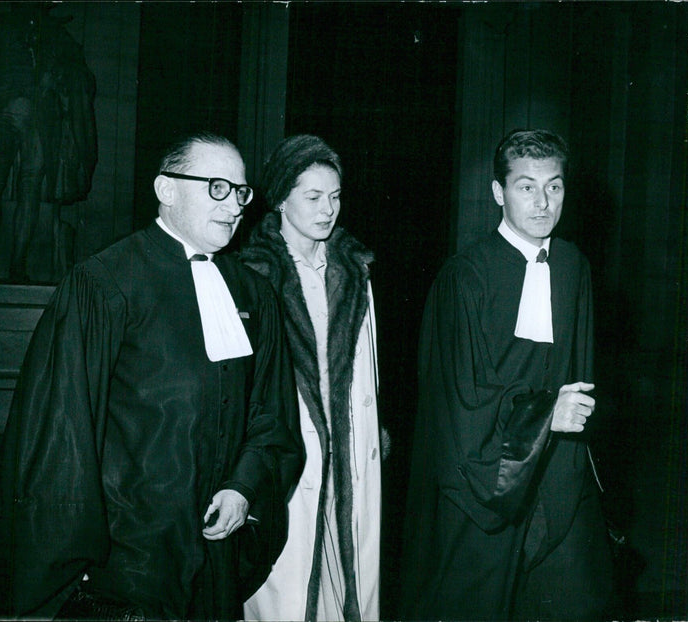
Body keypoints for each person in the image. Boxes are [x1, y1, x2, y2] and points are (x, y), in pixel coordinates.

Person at [0, 132, 303, 620]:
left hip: (217, 551)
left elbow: (271, 411)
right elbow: (63, 436)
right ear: (166, 190)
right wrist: (79, 556)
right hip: (129, 556)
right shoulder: (104, 284)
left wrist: (243, 486)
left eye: (240, 191)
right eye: (216, 187)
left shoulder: (253, 292)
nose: (233, 204)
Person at [401, 129, 613, 620]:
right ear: (498, 192)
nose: (543, 203)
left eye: (554, 187)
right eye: (526, 186)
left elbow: (581, 374)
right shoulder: (464, 278)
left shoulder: (573, 267)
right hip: (484, 482)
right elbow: (458, 401)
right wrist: (545, 415)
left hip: (560, 475)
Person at [240, 135, 384, 621]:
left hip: (349, 449)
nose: (329, 210)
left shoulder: (354, 269)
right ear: (280, 197)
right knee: (288, 583)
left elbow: (368, 369)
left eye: (336, 196)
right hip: (289, 450)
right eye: (314, 196)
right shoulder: (252, 273)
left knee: (351, 578)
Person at [0, 2, 97, 282]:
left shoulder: (56, 33)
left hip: (40, 119)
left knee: (23, 189)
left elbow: (84, 80)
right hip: (7, 112)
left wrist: (60, 77)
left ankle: (14, 266)